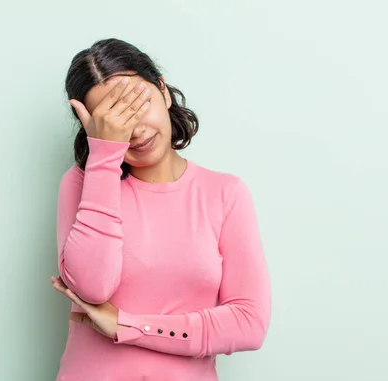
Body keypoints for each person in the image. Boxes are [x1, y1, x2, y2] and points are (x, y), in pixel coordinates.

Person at [50, 38, 272, 381]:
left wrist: (126, 325)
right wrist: (104, 156)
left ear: (164, 92)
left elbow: (248, 324)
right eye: (114, 119)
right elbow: (94, 288)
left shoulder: (225, 193)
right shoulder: (81, 184)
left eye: (139, 104)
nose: (135, 130)